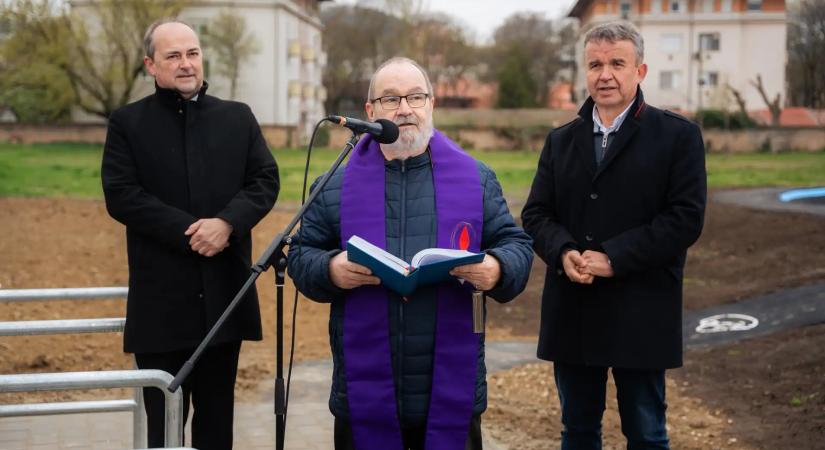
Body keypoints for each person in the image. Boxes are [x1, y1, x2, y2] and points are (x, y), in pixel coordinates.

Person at [288, 57, 533, 450]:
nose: (404, 109)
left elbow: (516, 244)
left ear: (431, 104)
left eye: (415, 97)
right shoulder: (333, 184)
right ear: (371, 112)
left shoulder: (476, 178)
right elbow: (300, 255)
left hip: (452, 388)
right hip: (362, 390)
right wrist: (330, 269)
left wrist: (498, 268)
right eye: (390, 99)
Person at [521, 21, 707, 450]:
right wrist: (563, 250)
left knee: (646, 433)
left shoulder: (678, 137)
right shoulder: (560, 141)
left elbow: (685, 219)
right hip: (574, 309)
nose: (605, 74)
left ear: (639, 71)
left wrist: (614, 257)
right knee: (578, 431)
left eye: (617, 63)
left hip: (641, 310)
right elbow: (536, 214)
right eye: (595, 64)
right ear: (585, 72)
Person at [101, 18, 279, 450]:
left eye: (192, 53)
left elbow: (264, 180)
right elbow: (122, 195)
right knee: (163, 430)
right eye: (173, 56)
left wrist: (228, 223)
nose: (186, 64)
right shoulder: (128, 123)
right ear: (151, 65)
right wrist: (192, 233)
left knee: (217, 427)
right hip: (161, 303)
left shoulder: (237, 118)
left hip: (224, 299)